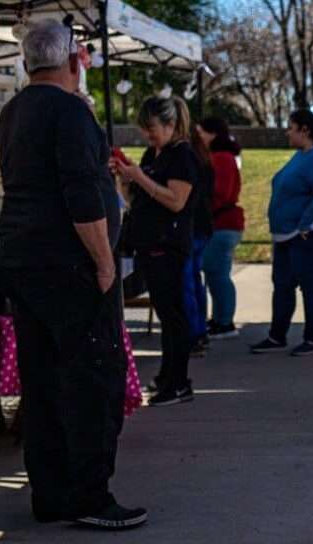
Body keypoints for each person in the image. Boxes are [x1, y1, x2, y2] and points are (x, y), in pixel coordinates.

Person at [0, 19, 147, 529]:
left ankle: (52, 490)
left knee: (43, 382)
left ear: (25, 63)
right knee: (91, 379)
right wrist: (105, 262)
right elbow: (81, 194)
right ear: (74, 63)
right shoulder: (69, 113)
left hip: (23, 257)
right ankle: (89, 495)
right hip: (67, 265)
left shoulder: (14, 111)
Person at [113, 96, 201, 408]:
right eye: (144, 130)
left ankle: (178, 382)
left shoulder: (182, 156)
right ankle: (168, 376)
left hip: (169, 245)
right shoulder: (156, 153)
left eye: (152, 129)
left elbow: (176, 201)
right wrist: (126, 179)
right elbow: (137, 198)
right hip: (149, 243)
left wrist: (141, 178)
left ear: (170, 125)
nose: (147, 136)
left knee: (172, 316)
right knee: (166, 313)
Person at [250, 110, 313, 356]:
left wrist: (305, 223)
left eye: (291, 127)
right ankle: (277, 336)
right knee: (282, 285)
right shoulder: (302, 155)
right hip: (287, 234)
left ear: (305, 130)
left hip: (311, 233)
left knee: (310, 285)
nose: (287, 132)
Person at [197, 118, 245, 341]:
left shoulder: (221, 159)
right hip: (223, 223)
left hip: (222, 224)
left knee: (217, 274)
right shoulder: (223, 158)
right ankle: (220, 319)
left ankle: (224, 321)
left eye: (201, 133)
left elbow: (221, 193)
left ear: (213, 134)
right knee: (217, 274)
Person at [184, 120, 214, 355]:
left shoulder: (185, 159)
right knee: (194, 278)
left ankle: (194, 333)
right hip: (202, 225)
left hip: (189, 226)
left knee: (186, 281)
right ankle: (199, 330)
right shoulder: (203, 158)